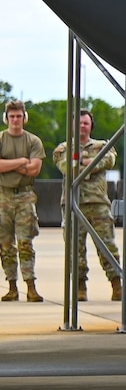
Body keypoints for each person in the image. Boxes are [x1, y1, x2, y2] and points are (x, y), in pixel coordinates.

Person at [53, 107, 120, 302]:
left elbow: (109, 160)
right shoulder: (63, 148)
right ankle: (80, 286)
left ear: (91, 126)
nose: (82, 126)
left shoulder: (102, 146)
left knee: (107, 246)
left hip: (98, 204)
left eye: (86, 123)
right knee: (75, 250)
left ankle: (116, 283)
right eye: (79, 123)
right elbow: (66, 167)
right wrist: (90, 165)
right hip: (73, 203)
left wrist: (83, 163)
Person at [0, 99, 44, 302]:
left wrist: (7, 164)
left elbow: (34, 169)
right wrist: (20, 162)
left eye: (18, 116)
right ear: (6, 118)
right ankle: (11, 286)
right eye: (12, 116)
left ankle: (31, 286)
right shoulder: (1, 139)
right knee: (6, 245)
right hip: (4, 196)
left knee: (25, 243)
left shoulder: (33, 141)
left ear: (24, 118)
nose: (15, 120)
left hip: (25, 196)